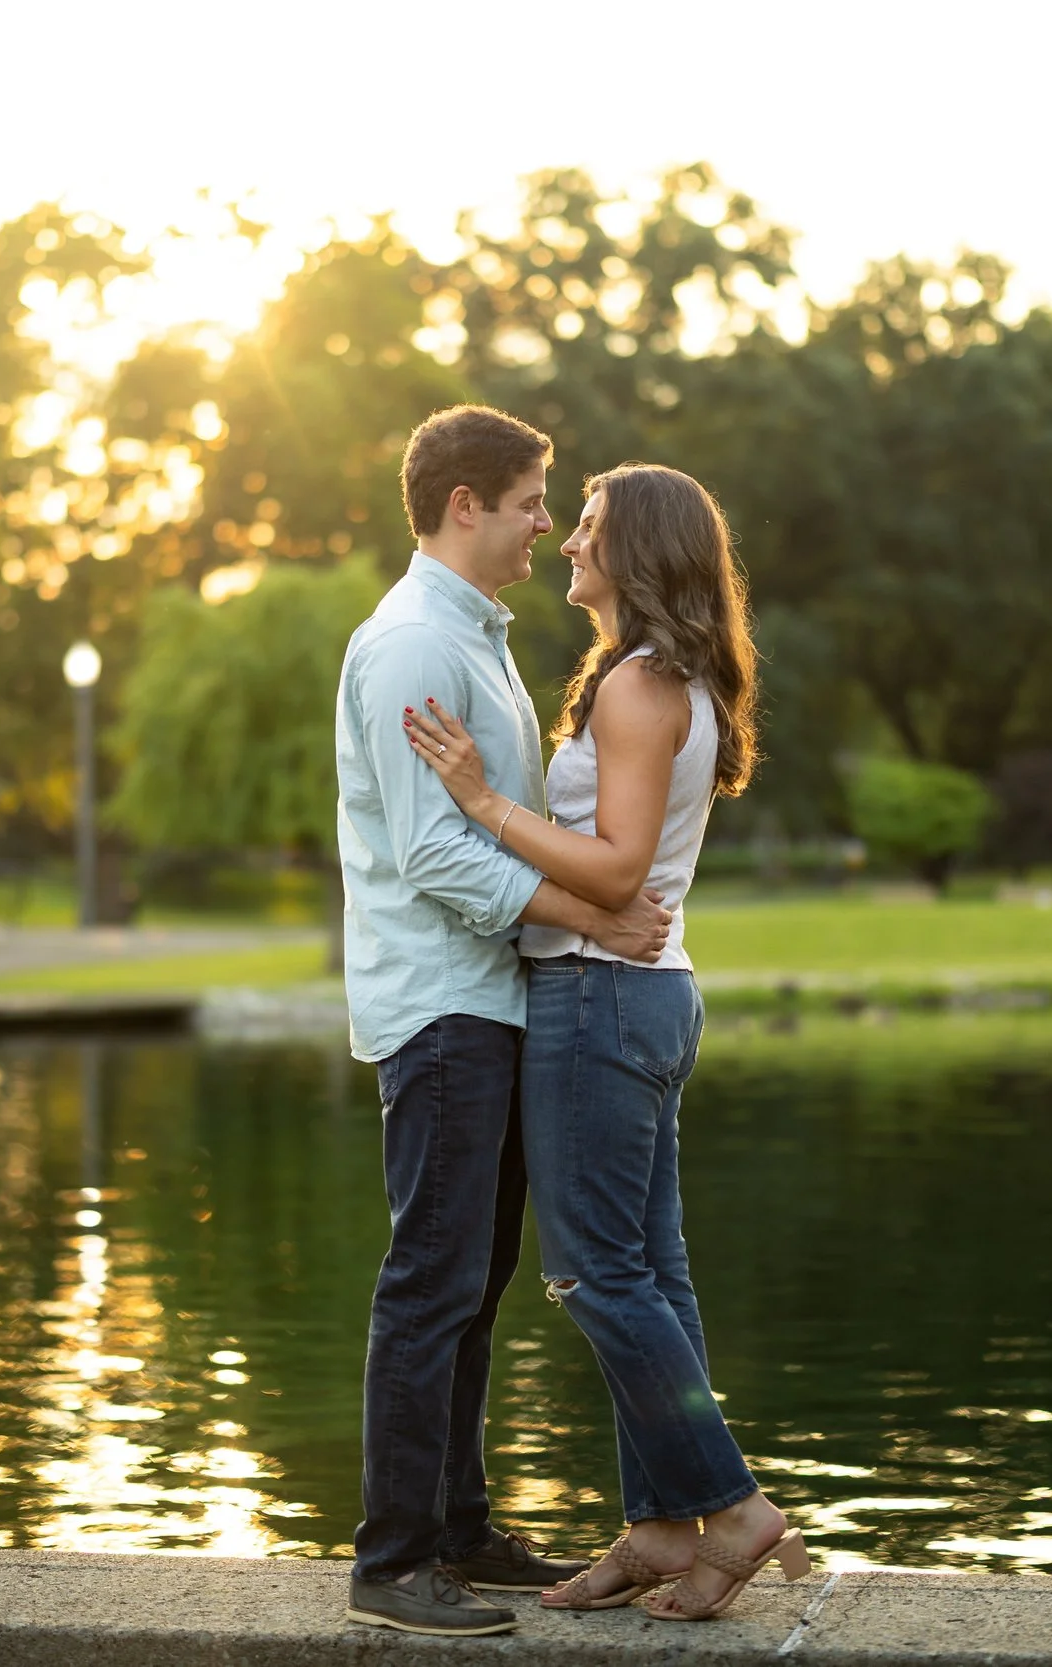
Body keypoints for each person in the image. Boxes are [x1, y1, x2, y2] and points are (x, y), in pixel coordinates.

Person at [402, 462, 805, 1622]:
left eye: (586, 529)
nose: (566, 542)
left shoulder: (639, 686)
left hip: (597, 998)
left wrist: (484, 800)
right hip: (641, 996)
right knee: (651, 1270)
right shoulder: (660, 678)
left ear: (639, 552)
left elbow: (619, 866)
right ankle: (662, 1527)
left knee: (591, 1270)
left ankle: (725, 1503)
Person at [336, 406, 677, 1638]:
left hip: (494, 996)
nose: (547, 520)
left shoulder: (475, 638)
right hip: (441, 1001)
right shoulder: (413, 644)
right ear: (464, 502)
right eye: (533, 497)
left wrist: (566, 924)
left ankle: (460, 1523)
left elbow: (490, 820)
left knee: (472, 1282)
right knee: (431, 1278)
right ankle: (391, 1558)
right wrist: (582, 918)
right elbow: (432, 850)